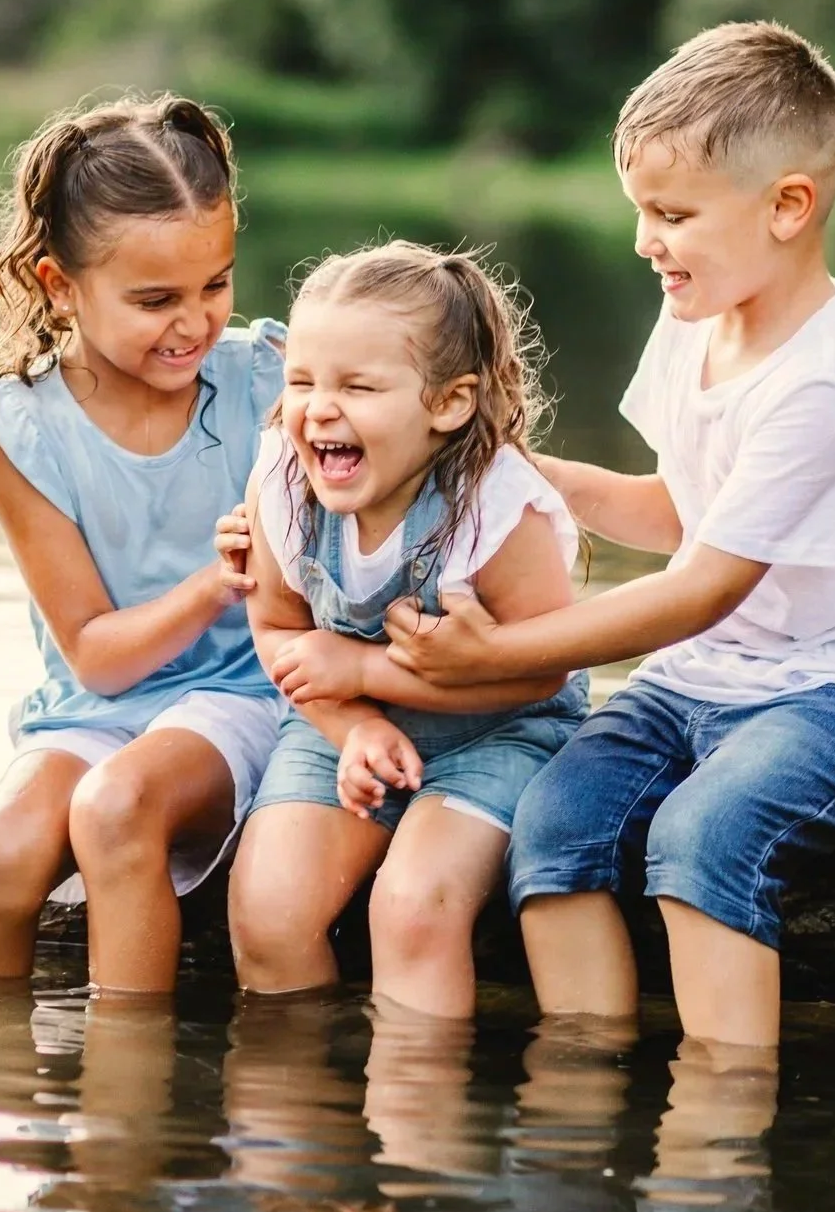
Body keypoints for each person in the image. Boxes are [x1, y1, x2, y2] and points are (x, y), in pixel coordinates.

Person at [383, 21, 835, 1048]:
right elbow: (681, 509)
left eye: (672, 214)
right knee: (552, 825)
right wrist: (526, 473)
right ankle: (585, 1099)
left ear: (788, 205)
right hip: (702, 678)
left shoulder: (824, 377)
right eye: (641, 211)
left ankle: (715, 1139)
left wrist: (494, 655)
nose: (645, 241)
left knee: (704, 831)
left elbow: (700, 585)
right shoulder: (697, 310)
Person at [0, 94, 286, 995]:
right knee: (6, 849)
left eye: (216, 284)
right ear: (60, 286)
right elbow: (94, 656)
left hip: (244, 692)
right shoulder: (17, 425)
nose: (196, 322)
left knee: (118, 805)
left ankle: (124, 1110)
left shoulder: (270, 383)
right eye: (154, 299)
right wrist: (215, 582)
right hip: (99, 701)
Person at [221, 242, 587, 1020]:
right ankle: (302, 1121)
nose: (318, 407)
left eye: (357, 385)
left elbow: (546, 667)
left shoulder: (494, 506)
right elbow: (279, 627)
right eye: (301, 381)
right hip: (338, 729)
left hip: (500, 734)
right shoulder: (283, 481)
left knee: (413, 909)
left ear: (447, 403)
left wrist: (363, 674)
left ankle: (415, 1128)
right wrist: (350, 724)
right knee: (267, 911)